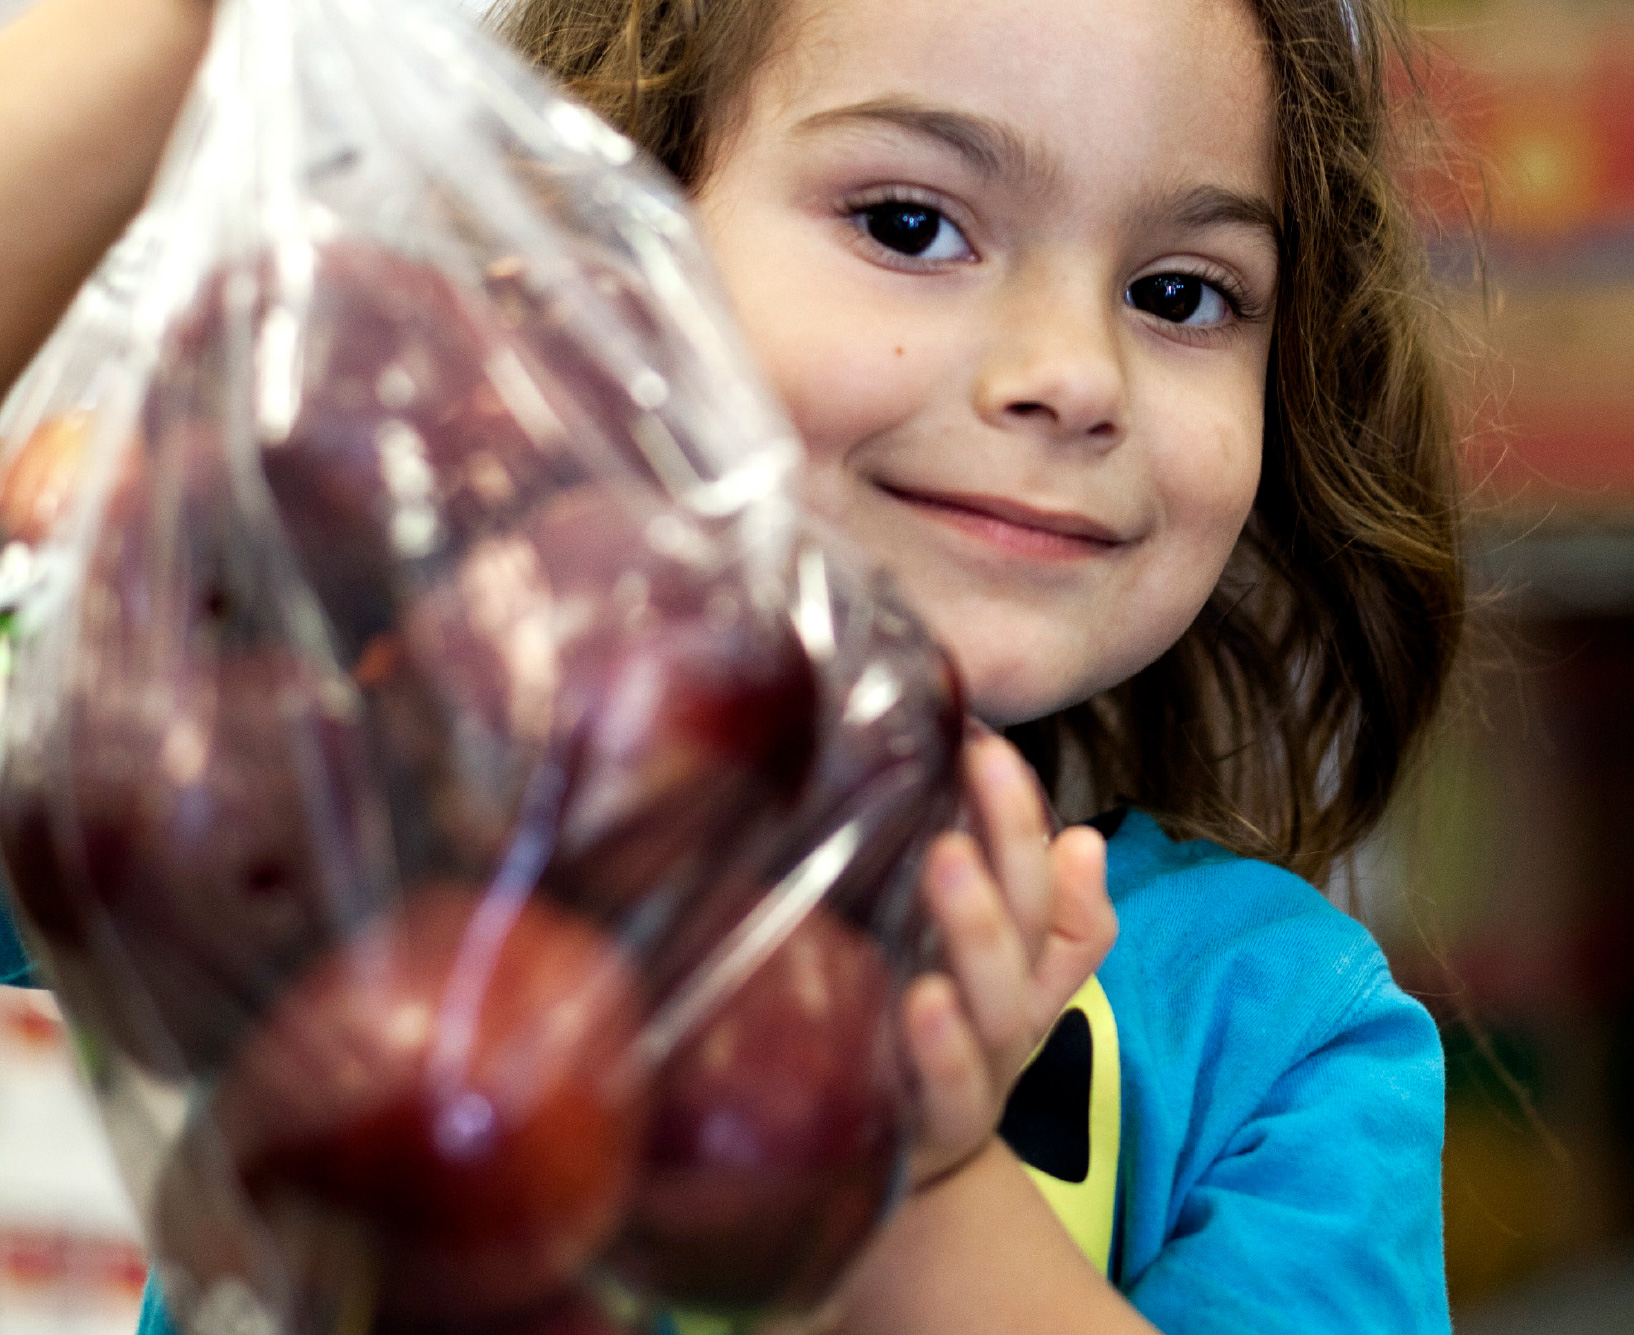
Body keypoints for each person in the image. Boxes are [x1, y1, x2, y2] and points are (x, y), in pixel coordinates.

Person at [0, 0, 1465, 1327]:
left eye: (1181, 293)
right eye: (907, 224)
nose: (1077, 375)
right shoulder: (353, 799)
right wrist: (141, 50)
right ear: (594, 262)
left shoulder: (1276, 1034)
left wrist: (912, 1185)